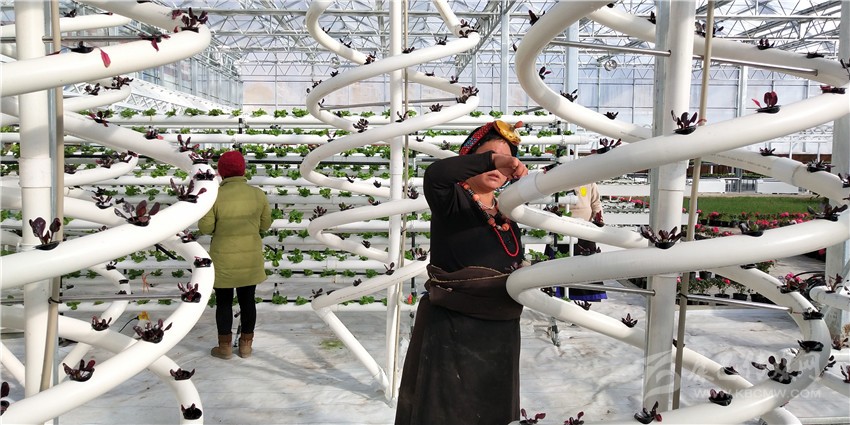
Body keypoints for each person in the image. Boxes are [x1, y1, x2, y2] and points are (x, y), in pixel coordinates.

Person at [395, 120, 529, 425]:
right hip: (454, 329)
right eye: (490, 157)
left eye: (507, 160)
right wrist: (494, 159)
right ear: (470, 160)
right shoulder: (451, 199)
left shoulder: (507, 212)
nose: (499, 165)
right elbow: (435, 174)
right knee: (447, 413)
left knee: (493, 413)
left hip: (501, 333)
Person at [198, 150, 271, 359]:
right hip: (250, 259)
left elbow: (205, 228)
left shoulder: (214, 195)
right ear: (243, 170)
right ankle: (246, 346)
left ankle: (225, 348)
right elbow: (265, 224)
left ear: (221, 172)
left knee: (223, 302)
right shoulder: (257, 194)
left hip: (224, 259)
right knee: (248, 301)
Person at [562, 182, 607, 301]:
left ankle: (585, 297)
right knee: (562, 265)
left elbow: (596, 202)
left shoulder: (590, 181)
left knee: (585, 265)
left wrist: (598, 217)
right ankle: (561, 296)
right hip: (562, 227)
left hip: (585, 229)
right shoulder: (560, 178)